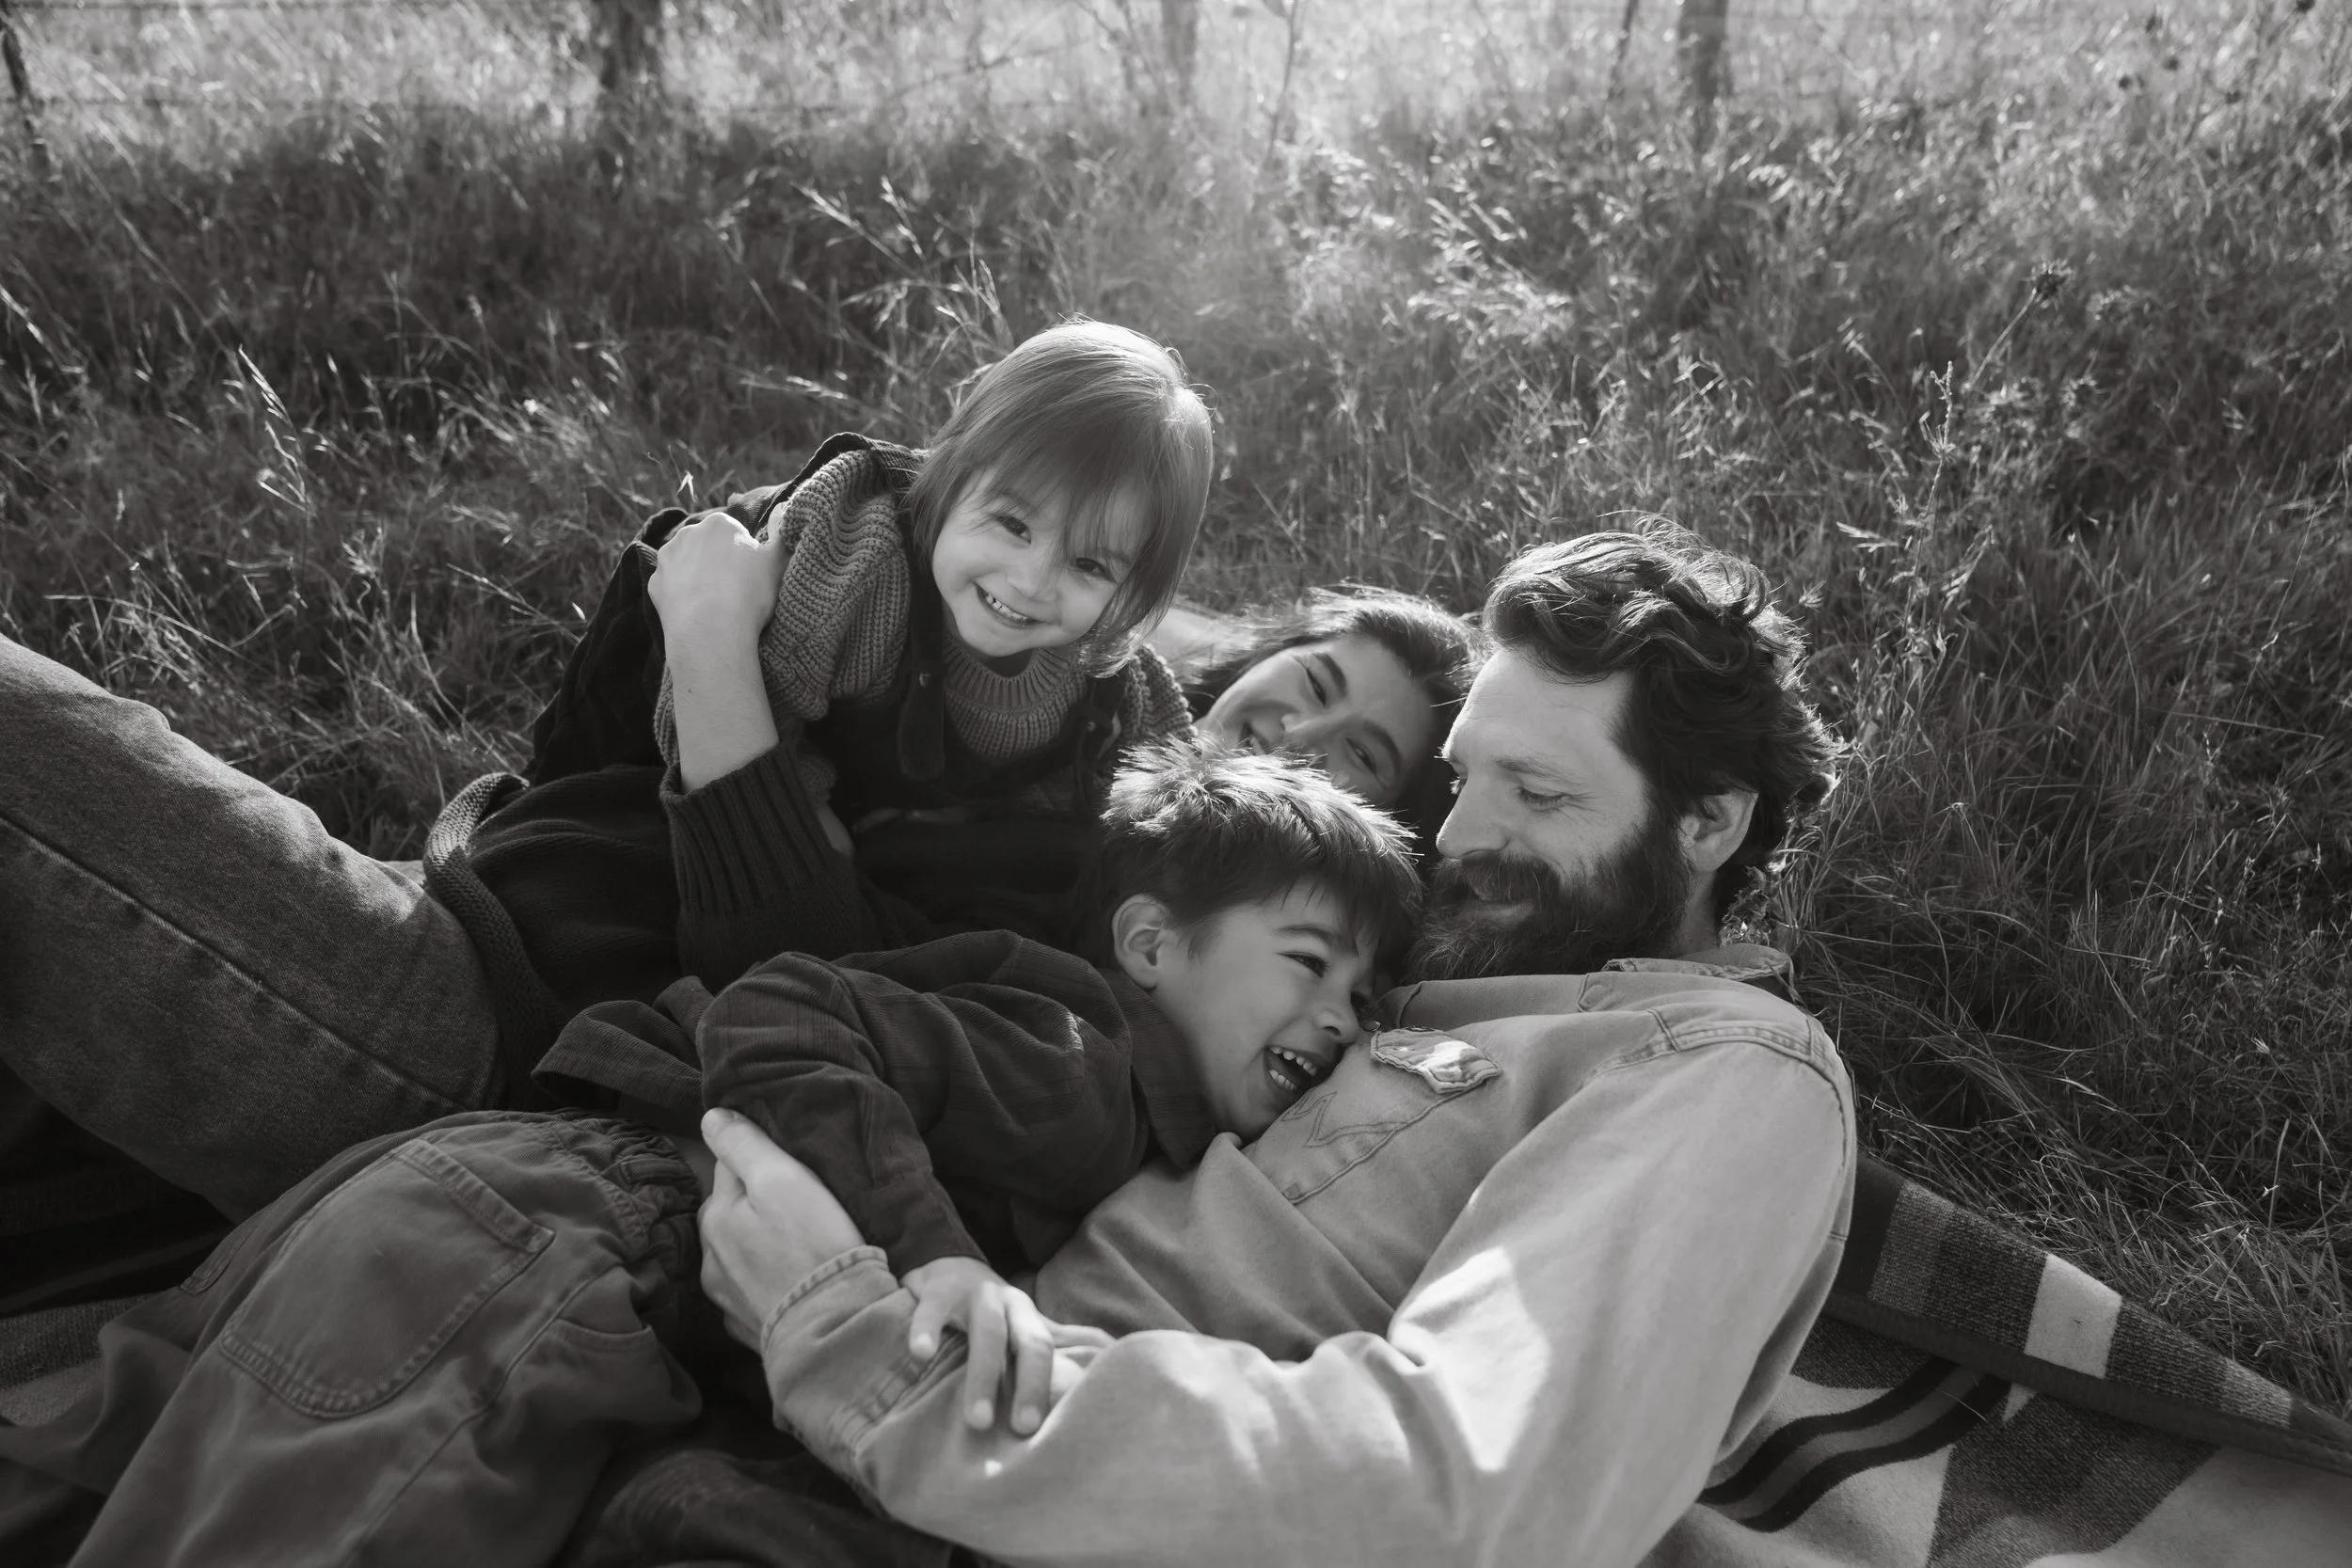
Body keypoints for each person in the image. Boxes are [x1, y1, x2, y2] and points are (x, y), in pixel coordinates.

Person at [692, 526, 1858, 1568]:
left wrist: (872, 1357)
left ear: (1707, 820)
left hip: (961, 1479)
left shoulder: (1728, 1066)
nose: (1457, 831)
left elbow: (1469, 1500)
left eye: (1536, 791)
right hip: (807, 1391)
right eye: (1458, 775)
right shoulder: (1421, 963)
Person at [0, 746, 1418, 1564]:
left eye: (1362, 1001)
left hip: (480, 1209)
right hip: (549, 1244)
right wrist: (937, 1262)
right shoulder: (1083, 1057)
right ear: (1153, 942)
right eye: (1310, 962)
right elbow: (789, 1013)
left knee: (90, 1449)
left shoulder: (1101, 1085)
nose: (1339, 1020)